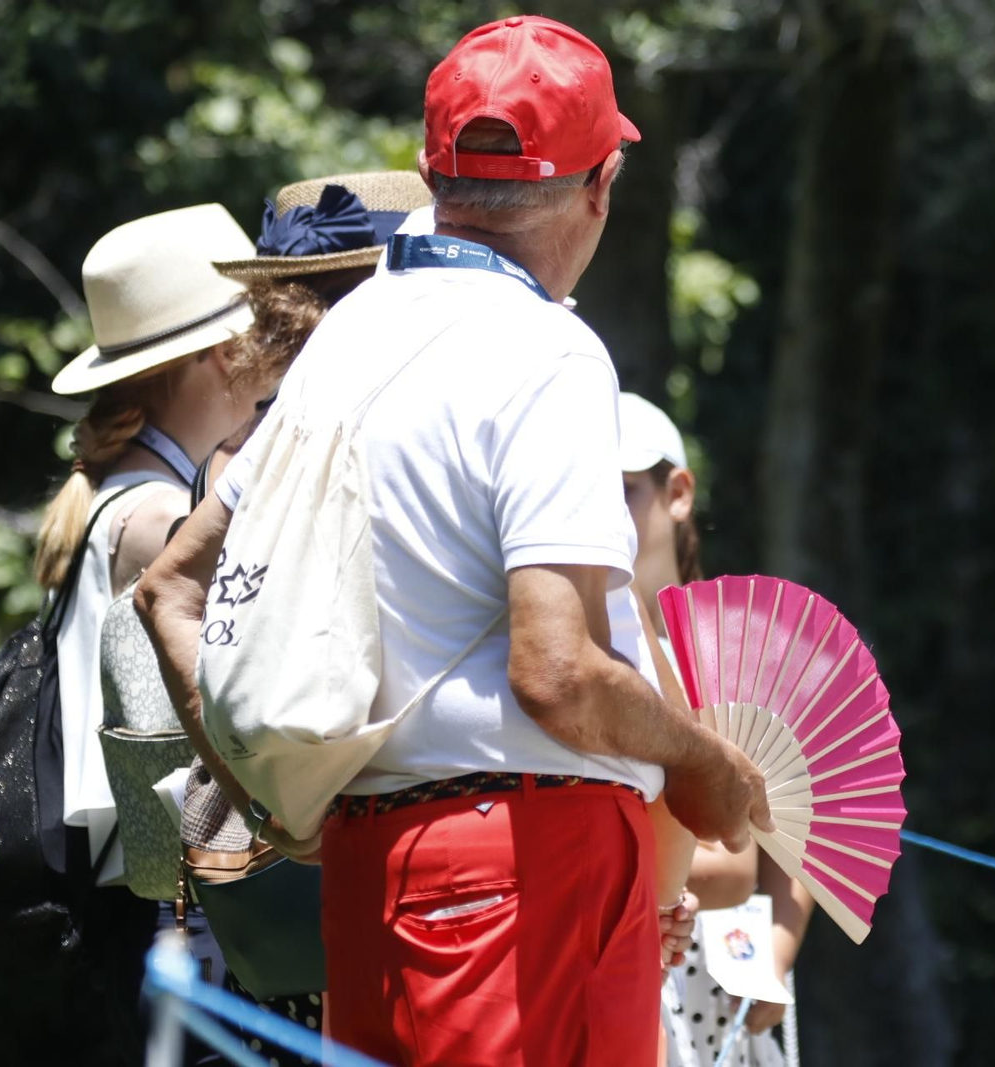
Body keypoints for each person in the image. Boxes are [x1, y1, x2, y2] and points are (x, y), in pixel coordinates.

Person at [138, 16, 770, 1066]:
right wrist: (700, 759)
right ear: (601, 184)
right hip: (530, 876)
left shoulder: (343, 340)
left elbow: (169, 588)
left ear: (434, 176)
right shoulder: (550, 349)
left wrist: (269, 794)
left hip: (368, 871)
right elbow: (556, 670)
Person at [99, 172, 435, 1063]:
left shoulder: (229, 461)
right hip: (398, 874)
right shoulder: (382, 443)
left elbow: (171, 607)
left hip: (258, 900)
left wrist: (258, 795)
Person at [41, 202, 269, 1062]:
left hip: (132, 908)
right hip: (172, 908)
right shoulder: (157, 518)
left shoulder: (114, 496)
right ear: (222, 353)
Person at [618, 393, 817, 1067]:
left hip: (721, 982)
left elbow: (792, 833)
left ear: (678, 493)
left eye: (624, 490)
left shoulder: (737, 652)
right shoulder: (586, 650)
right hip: (617, 961)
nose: (602, 511)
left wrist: (779, 952)